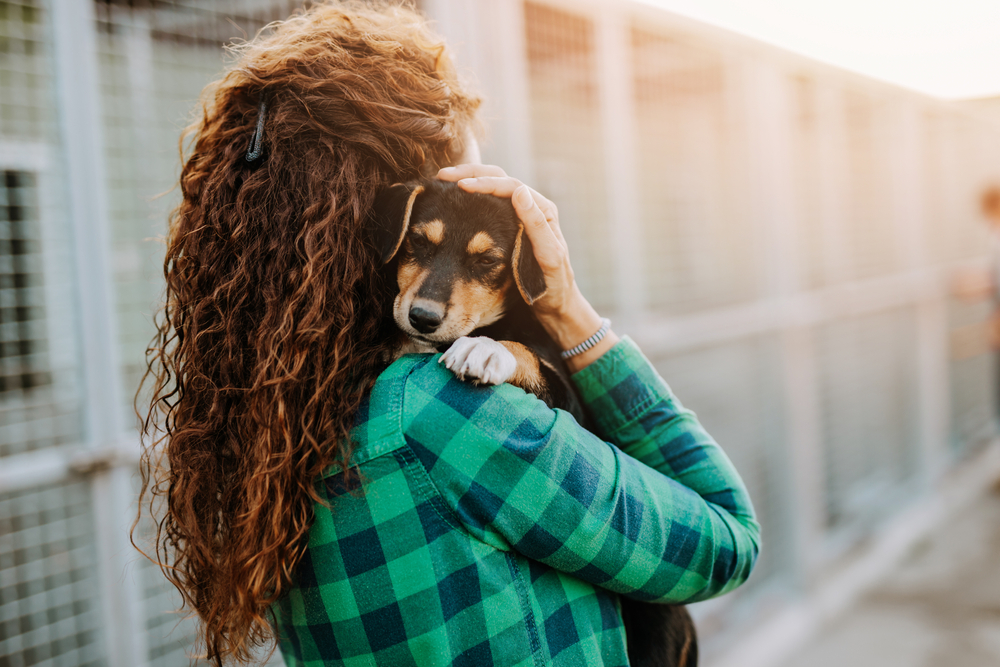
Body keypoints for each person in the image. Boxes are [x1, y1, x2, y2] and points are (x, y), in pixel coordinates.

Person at [136, 3, 760, 666]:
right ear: (380, 216)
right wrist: (571, 312)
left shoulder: (269, 423)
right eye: (474, 169)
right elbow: (727, 540)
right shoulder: (449, 415)